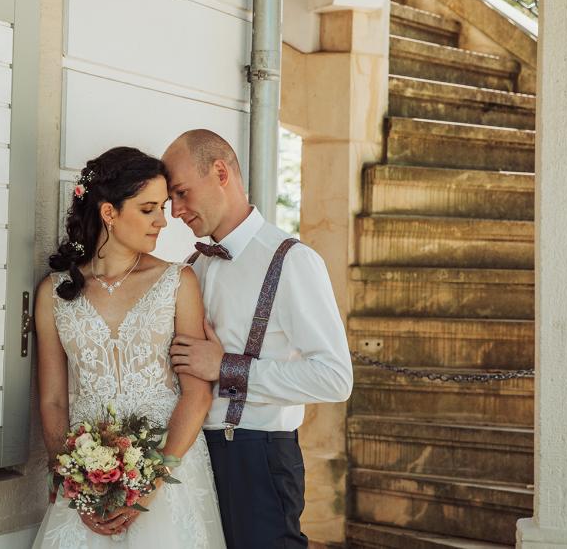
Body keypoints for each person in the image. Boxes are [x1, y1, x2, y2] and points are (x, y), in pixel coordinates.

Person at [164, 129, 353, 549]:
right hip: (194, 455)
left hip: (257, 455)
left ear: (220, 172)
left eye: (181, 193)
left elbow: (335, 378)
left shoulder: (292, 260)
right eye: (169, 201)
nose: (175, 210)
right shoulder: (193, 266)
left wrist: (227, 367)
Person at [31, 146, 226, 548]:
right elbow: (52, 400)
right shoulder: (54, 293)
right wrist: (71, 478)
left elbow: (197, 391)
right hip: (88, 484)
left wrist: (157, 476)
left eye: (165, 207)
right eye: (149, 208)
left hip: (169, 476)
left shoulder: (178, 282)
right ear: (109, 213)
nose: (163, 221)